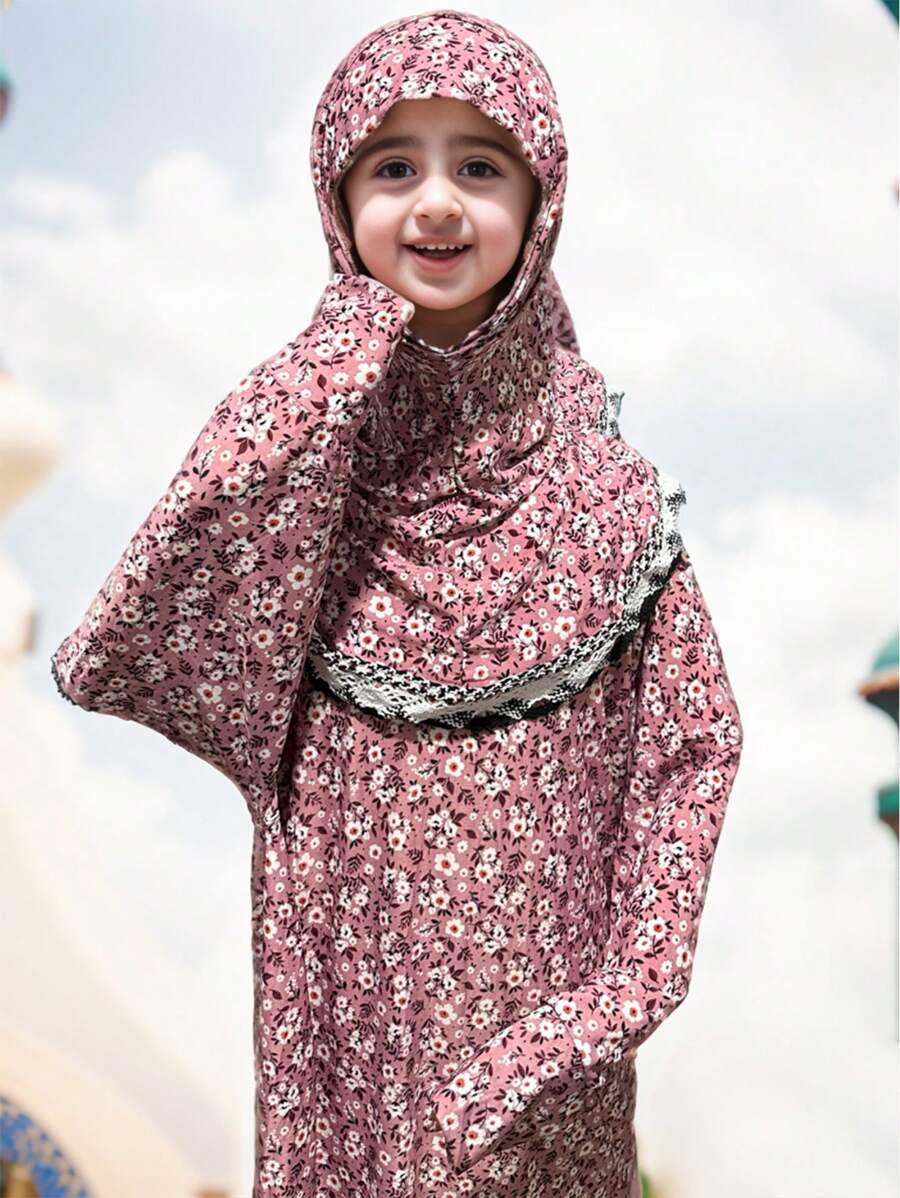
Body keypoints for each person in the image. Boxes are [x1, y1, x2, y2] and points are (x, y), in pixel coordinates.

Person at [50, 11, 744, 1198]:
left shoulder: (612, 501)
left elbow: (692, 750)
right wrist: (332, 360)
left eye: (480, 166)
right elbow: (132, 631)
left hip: (544, 1089)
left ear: (541, 199)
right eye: (391, 167)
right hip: (346, 1073)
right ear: (334, 200)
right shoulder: (303, 479)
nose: (434, 203)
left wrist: (608, 1008)